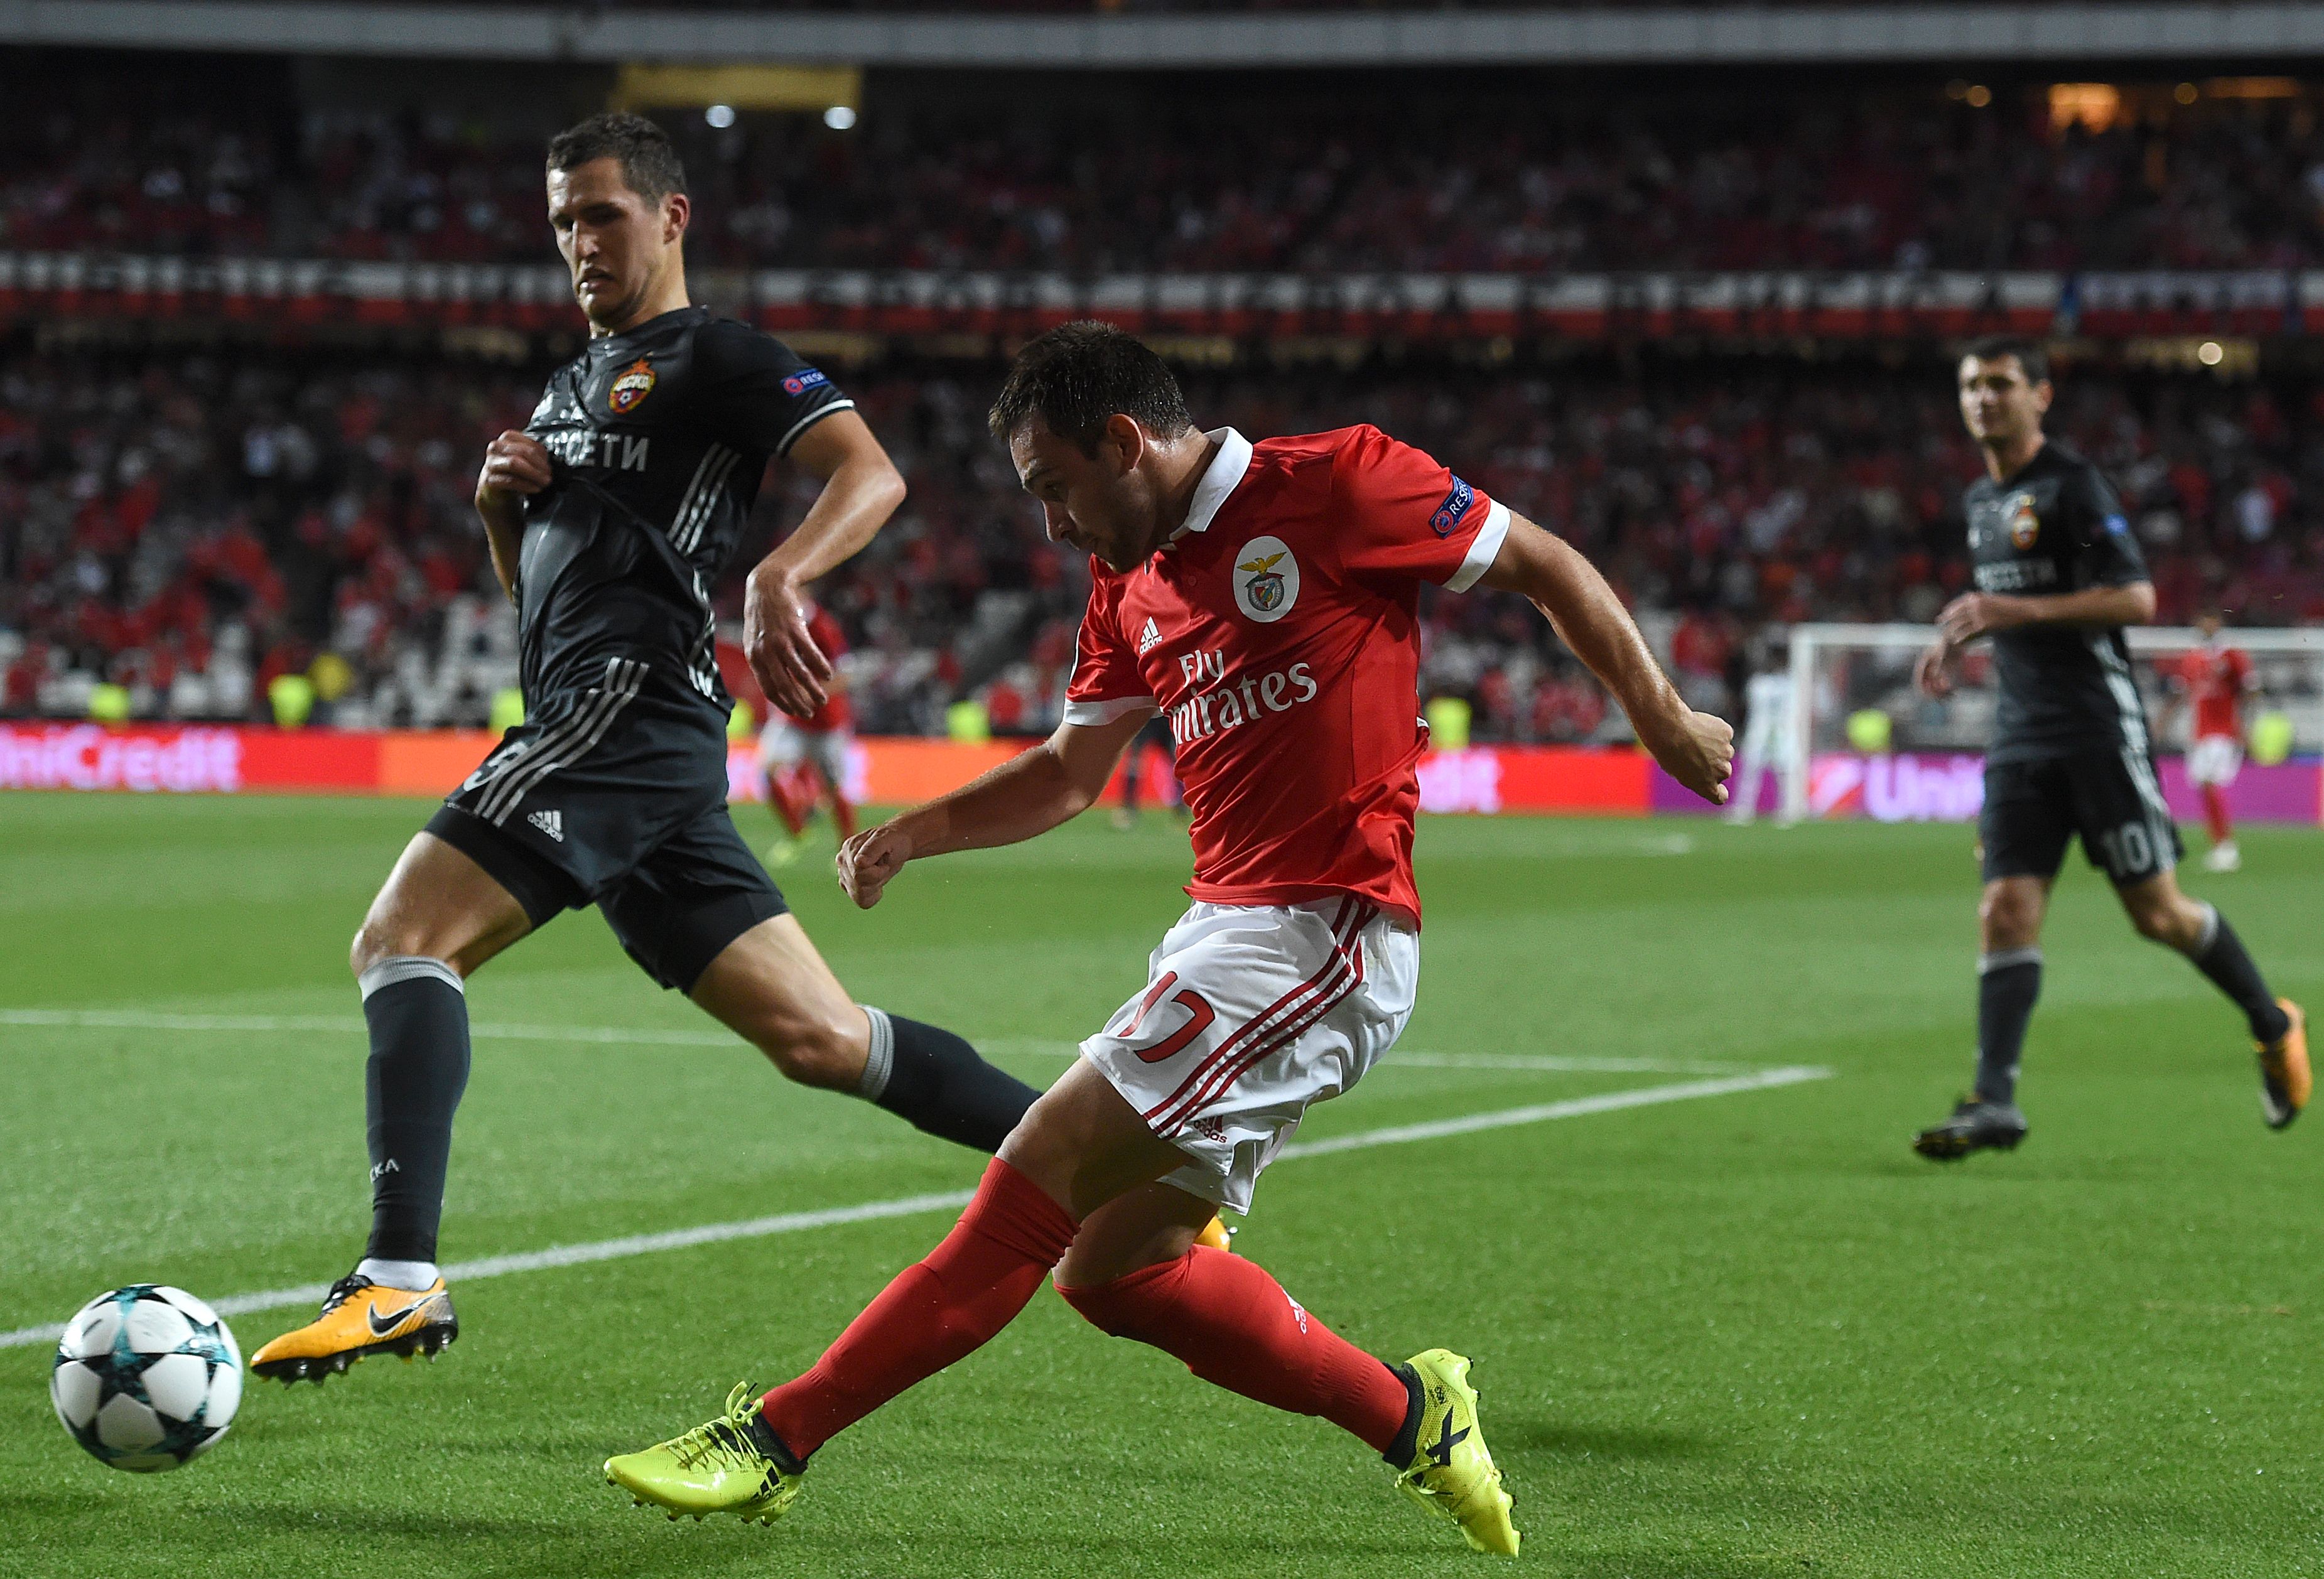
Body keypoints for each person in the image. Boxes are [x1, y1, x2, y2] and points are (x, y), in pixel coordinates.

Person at [602, 321, 1735, 1555]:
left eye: (1053, 488)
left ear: (1123, 443)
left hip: (1324, 932)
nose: (1050, 526)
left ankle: (773, 1439)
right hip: (1220, 930)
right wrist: (911, 835)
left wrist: (1661, 716)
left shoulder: (1338, 483)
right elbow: (1064, 772)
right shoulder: (1124, 582)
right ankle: (1415, 1416)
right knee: (1114, 1270)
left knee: (1034, 1168)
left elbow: (1546, 564)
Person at [249, 114, 1052, 1384]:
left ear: (672, 219)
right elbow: (538, 607)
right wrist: (496, 514)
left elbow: (870, 473)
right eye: (563, 218)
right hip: (626, 733)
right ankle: (1113, 1164)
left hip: (621, 712)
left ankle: (397, 1277)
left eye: (602, 214)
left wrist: (780, 573)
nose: (579, 242)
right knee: (824, 1041)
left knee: (402, 943)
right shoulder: (566, 387)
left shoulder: (714, 355)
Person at [1910, 337, 2306, 1160]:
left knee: (2156, 913)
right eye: (1970, 386)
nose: (1983, 398)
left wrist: (2009, 613)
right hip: (2019, 738)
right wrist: (1956, 638)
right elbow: (2001, 607)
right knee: (2004, 908)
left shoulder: (2072, 485)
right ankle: (1994, 1099)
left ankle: (2272, 1022)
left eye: (1999, 384)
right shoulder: (1982, 499)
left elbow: (2135, 596)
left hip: (2097, 729)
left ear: (2039, 394)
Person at [758, 594, 859, 865]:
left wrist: (811, 692)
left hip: (827, 724)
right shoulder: (779, 623)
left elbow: (846, 675)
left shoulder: (824, 628)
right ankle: (798, 834)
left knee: (834, 786)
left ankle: (848, 848)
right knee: (768, 771)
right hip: (793, 719)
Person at [2163, 610, 2253, 873]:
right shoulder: (2193, 658)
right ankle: (2219, 844)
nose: (2205, 624)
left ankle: (2226, 847)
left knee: (2211, 784)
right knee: (2204, 785)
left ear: (2219, 623)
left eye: (2210, 619)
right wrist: (2162, 724)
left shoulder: (2232, 656)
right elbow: (2180, 694)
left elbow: (2249, 691)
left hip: (2223, 732)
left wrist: (2245, 726)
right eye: (2201, 620)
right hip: (2200, 733)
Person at [1724, 638, 1794, 826]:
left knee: (1784, 774)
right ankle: (1743, 809)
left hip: (1781, 733)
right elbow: (1751, 707)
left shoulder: (1789, 683)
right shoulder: (1759, 683)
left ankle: (1786, 810)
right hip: (1760, 732)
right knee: (1750, 772)